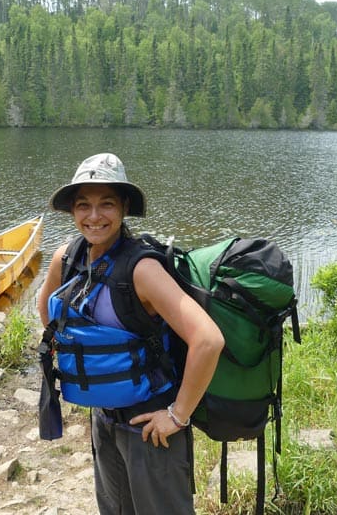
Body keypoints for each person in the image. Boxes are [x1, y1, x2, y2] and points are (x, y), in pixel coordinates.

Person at [37, 153, 224, 515]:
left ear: (124, 207)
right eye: (83, 205)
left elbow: (208, 339)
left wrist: (177, 415)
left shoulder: (143, 269)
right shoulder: (67, 258)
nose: (94, 216)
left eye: (106, 204)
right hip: (103, 417)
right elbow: (47, 310)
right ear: (72, 211)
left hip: (150, 422)